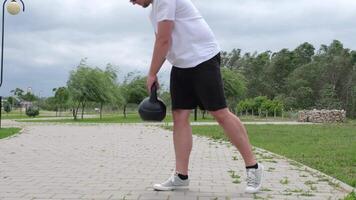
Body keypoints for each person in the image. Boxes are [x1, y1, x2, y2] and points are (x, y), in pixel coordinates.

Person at [130, 0, 264, 193]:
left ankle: (254, 167)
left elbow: (164, 40)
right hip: (181, 64)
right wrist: (155, 72)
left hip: (203, 58)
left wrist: (151, 73)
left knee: (220, 113)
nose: (132, 2)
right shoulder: (153, 13)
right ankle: (181, 176)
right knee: (179, 117)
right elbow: (160, 41)